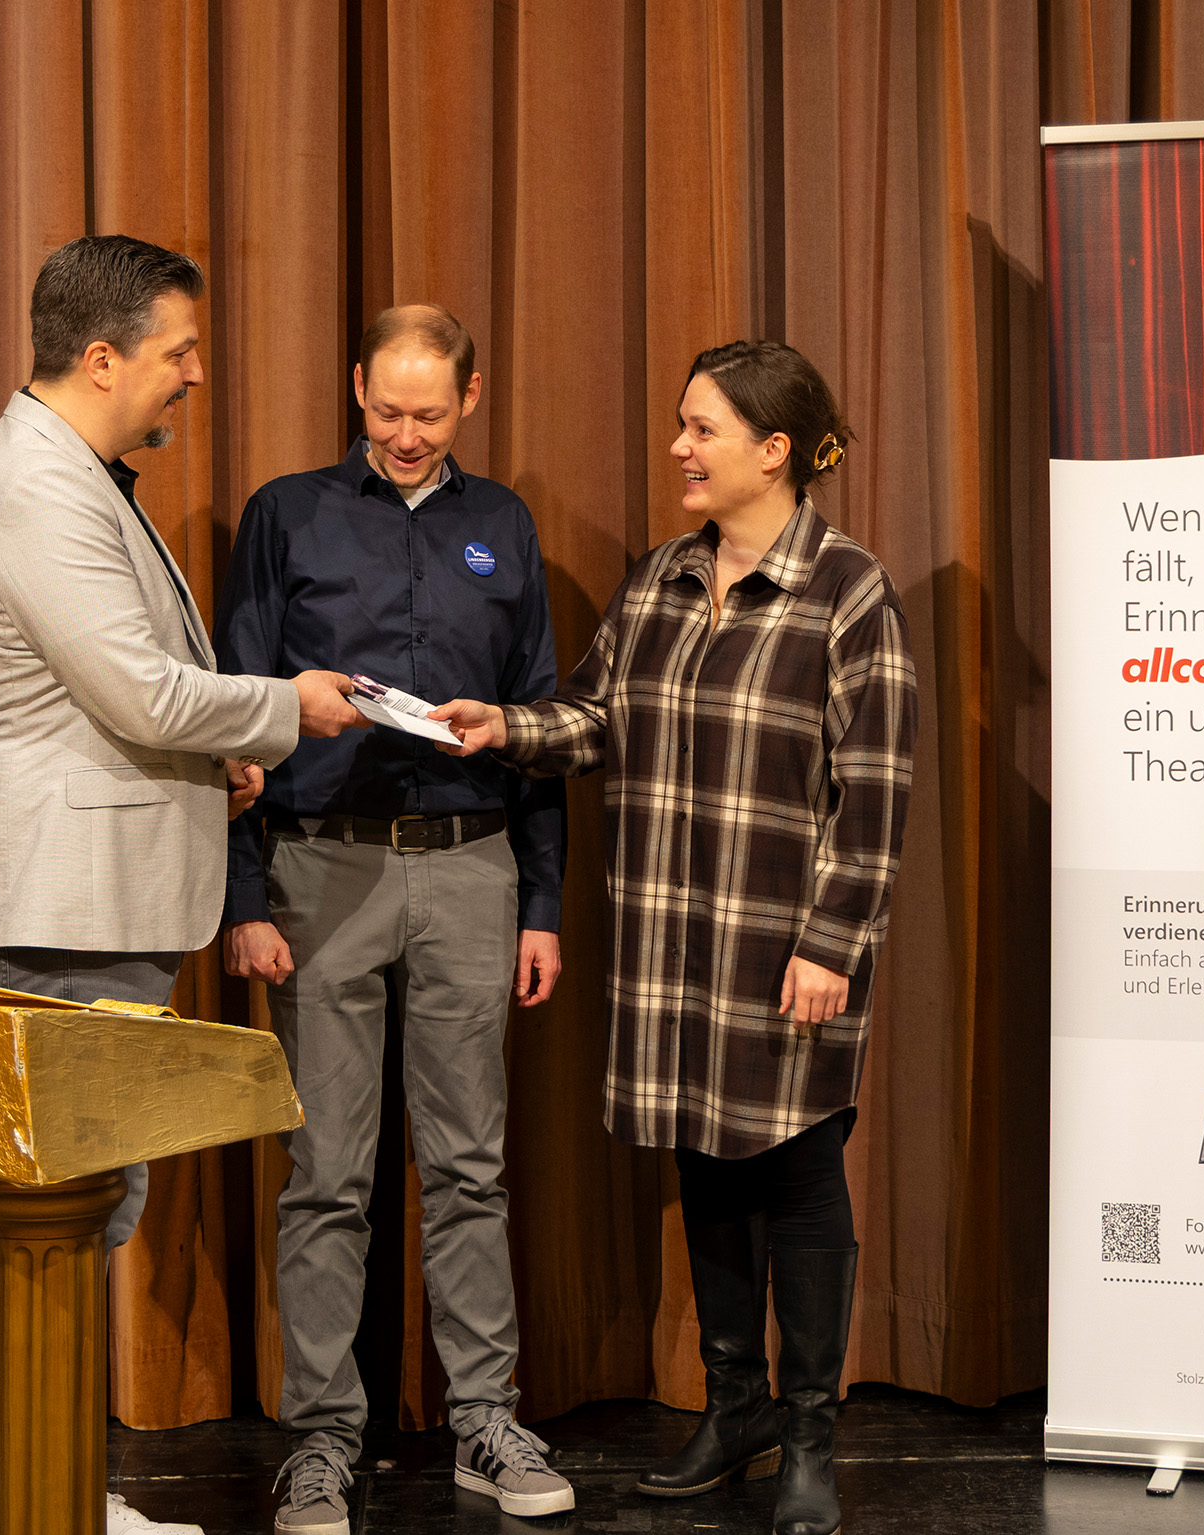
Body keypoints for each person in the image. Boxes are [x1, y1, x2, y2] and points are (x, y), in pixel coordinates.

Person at [433, 341, 918, 1535]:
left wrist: (831, 942)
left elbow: (877, 788)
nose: (677, 449)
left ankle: (808, 1430)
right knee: (703, 1164)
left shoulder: (846, 591)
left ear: (773, 450)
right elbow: (596, 717)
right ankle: (736, 1405)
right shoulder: (658, 581)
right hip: (670, 941)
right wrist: (504, 725)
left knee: (797, 1176)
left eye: (701, 429)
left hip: (783, 947)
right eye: (678, 425)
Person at [0, 234, 367, 1535]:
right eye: (178, 352)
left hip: (93, 890)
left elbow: (104, 701)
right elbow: (136, 688)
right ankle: (6, 1502)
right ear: (103, 353)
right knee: (46, 1218)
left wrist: (209, 763)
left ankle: (32, 1485)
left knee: (76, 1213)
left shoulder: (74, 471)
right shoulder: (39, 486)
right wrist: (281, 709)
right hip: (58, 904)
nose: (192, 375)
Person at [214, 304, 572, 1529]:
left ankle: (482, 1415)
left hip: (471, 871)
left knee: (469, 1163)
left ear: (470, 398)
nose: (404, 434)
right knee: (325, 1173)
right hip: (321, 874)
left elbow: (538, 722)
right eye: (384, 409)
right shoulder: (285, 513)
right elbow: (238, 714)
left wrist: (541, 902)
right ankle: (322, 1435)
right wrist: (243, 896)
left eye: (428, 413)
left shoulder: (502, 525)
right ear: (356, 385)